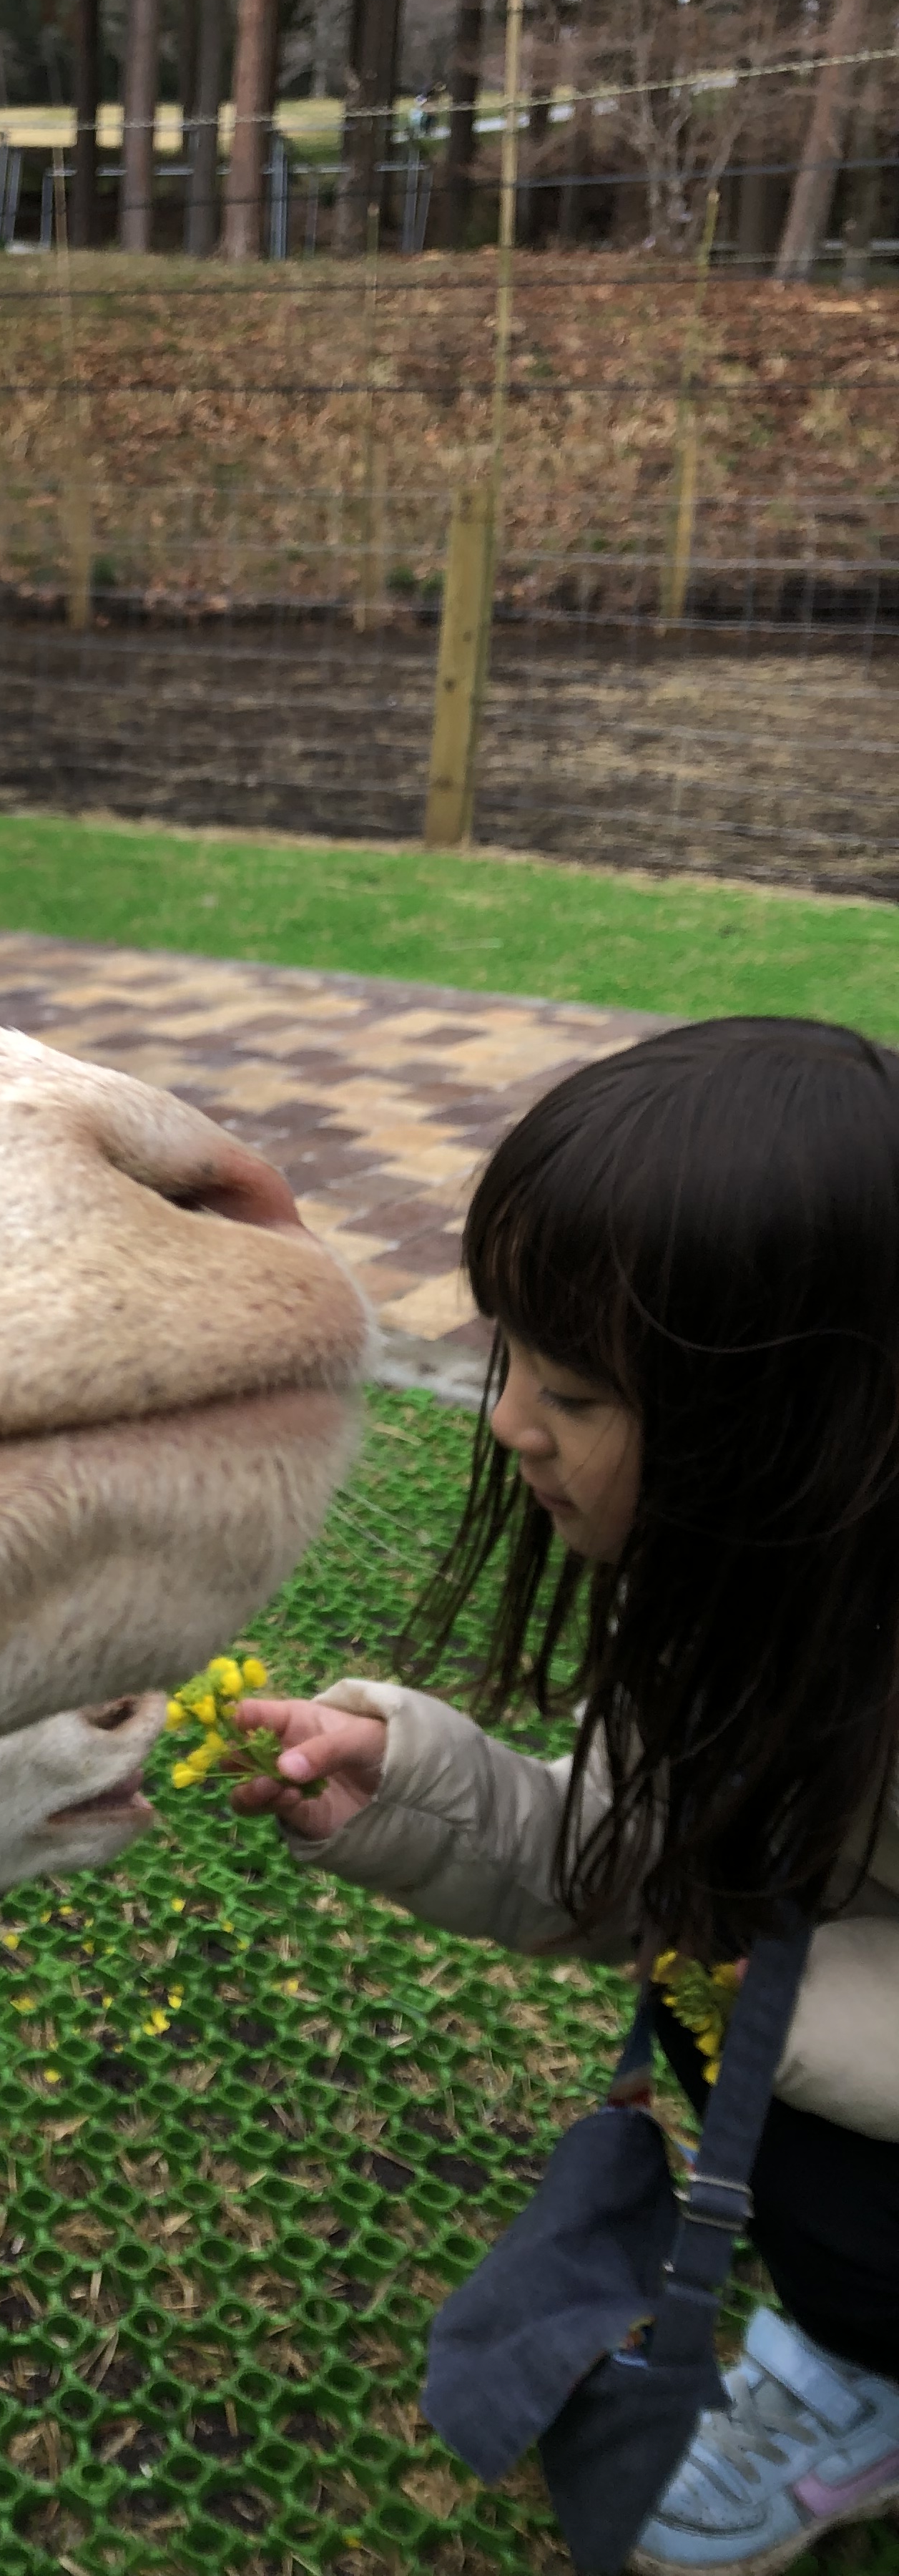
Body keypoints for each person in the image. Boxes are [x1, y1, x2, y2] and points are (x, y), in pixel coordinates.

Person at [231, 1017, 899, 2575]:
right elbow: (626, 1859)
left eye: (580, 1394)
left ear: (799, 1426)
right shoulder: (737, 1584)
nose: (512, 1422)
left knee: (824, 2171)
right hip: (810, 2057)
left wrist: (772, 2005)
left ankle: (862, 2372)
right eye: (511, 1355)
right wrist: (410, 1788)